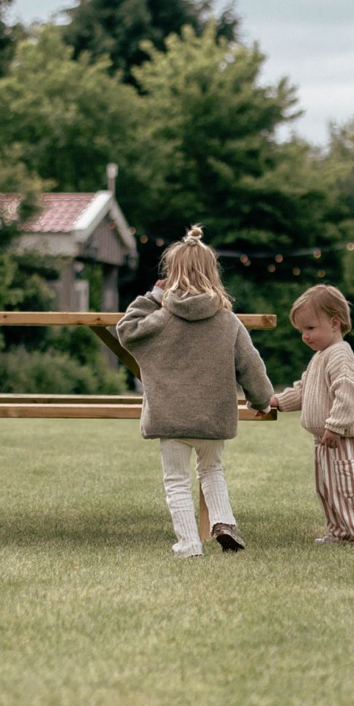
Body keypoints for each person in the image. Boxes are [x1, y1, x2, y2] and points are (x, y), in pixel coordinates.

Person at [116, 225, 273, 558]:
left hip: (170, 418)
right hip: (213, 419)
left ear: (170, 275)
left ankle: (188, 544)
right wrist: (261, 401)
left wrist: (154, 297)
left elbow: (126, 330)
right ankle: (224, 521)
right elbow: (252, 367)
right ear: (213, 273)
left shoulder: (160, 319)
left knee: (176, 479)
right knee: (211, 470)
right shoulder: (227, 322)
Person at [269, 284, 354, 551]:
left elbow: (348, 393)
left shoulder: (340, 356)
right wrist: (279, 401)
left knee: (351, 487)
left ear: (334, 323)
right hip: (323, 440)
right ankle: (341, 531)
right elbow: (305, 389)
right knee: (328, 489)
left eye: (310, 328)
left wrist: (334, 427)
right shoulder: (320, 357)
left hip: (342, 439)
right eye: (302, 330)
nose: (305, 336)